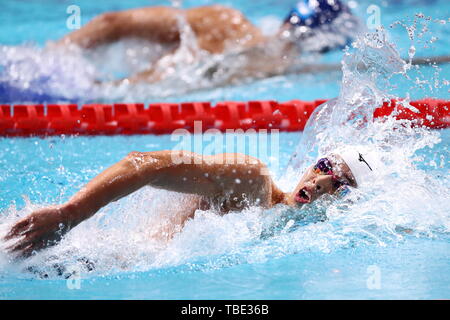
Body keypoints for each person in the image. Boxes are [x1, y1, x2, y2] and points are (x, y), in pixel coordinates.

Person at [4, 148, 375, 257]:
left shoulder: (307, 243)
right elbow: (147, 164)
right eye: (325, 167)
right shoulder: (252, 180)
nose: (322, 182)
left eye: (341, 184)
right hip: (86, 261)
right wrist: (71, 214)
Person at [57, 0, 361, 83]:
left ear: (287, 18)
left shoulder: (226, 21)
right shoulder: (284, 71)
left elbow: (112, 23)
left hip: (79, 91)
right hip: (112, 102)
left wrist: (52, 59)